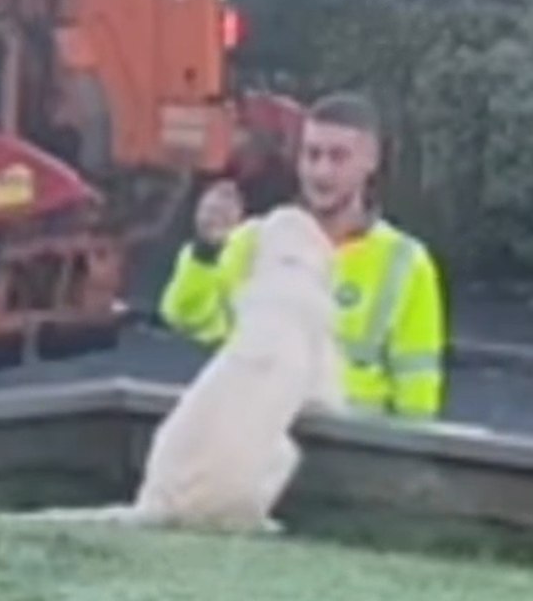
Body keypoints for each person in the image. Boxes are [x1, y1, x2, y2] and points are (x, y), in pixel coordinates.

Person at [158, 91, 447, 419]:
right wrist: (206, 248)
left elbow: (417, 393)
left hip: (351, 447)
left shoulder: (406, 263)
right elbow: (187, 317)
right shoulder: (255, 240)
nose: (321, 172)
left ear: (370, 161)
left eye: (338, 157)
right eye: (312, 155)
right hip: (262, 438)